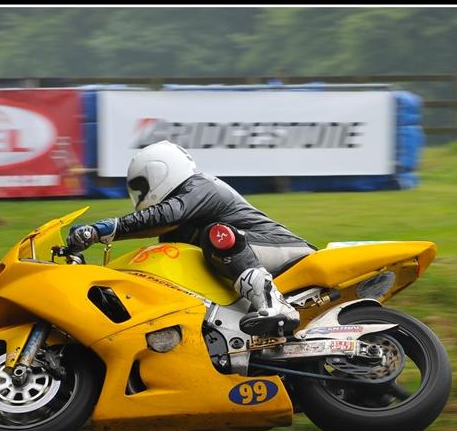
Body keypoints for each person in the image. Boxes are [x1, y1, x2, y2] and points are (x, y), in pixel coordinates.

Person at [67, 140, 315, 336]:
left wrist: (101, 229)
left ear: (160, 171)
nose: (141, 196)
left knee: (217, 235)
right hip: (256, 257)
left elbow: (166, 213)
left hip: (286, 248)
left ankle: (275, 304)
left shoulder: (201, 186)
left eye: (142, 186)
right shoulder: (172, 230)